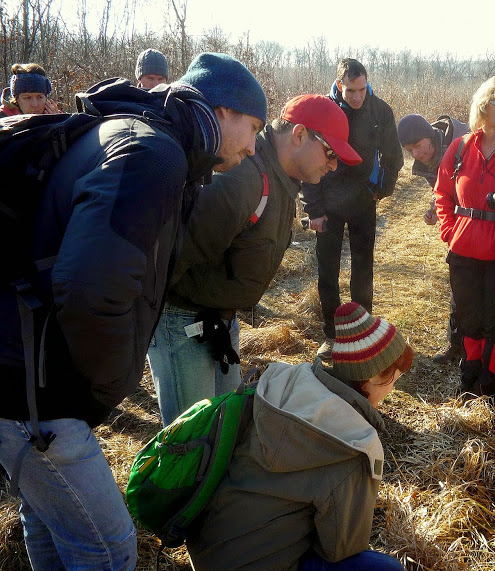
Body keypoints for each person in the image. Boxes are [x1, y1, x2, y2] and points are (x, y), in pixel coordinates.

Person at [0, 52, 266, 571]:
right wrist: (102, 387)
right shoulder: (154, 154)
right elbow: (90, 288)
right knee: (107, 546)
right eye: (255, 127)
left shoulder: (141, 136)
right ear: (222, 110)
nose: (254, 147)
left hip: (17, 363)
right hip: (35, 389)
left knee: (48, 517)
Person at [149, 94, 362, 425]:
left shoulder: (283, 180)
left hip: (219, 320)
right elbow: (170, 255)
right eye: (330, 153)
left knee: (223, 428)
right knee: (191, 438)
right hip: (183, 323)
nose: (333, 165)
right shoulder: (244, 178)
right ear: (300, 134)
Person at [186, 302, 412, 571]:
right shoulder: (352, 445)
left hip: (204, 551)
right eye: (395, 377)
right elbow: (341, 550)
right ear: (372, 377)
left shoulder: (282, 387)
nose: (394, 387)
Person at [302, 58, 403, 360]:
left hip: (363, 201)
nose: (357, 97)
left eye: (361, 89)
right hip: (328, 203)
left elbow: (393, 156)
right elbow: (307, 162)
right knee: (328, 271)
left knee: (362, 268)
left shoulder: (380, 111)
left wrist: (381, 189)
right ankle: (332, 335)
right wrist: (314, 209)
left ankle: (362, 330)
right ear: (338, 85)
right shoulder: (323, 112)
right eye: (350, 91)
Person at [434, 75, 495, 398]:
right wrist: (449, 230)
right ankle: (468, 381)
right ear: (484, 105)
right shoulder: (460, 147)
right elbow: (442, 193)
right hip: (463, 250)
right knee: (468, 319)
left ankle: (490, 388)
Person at [398, 112, 470, 365]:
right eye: (410, 151)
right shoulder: (431, 159)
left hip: (485, 223)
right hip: (459, 227)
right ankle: (456, 344)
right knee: (458, 282)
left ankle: (483, 348)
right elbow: (441, 191)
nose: (416, 154)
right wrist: (435, 210)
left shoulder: (463, 144)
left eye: (418, 146)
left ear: (430, 135)